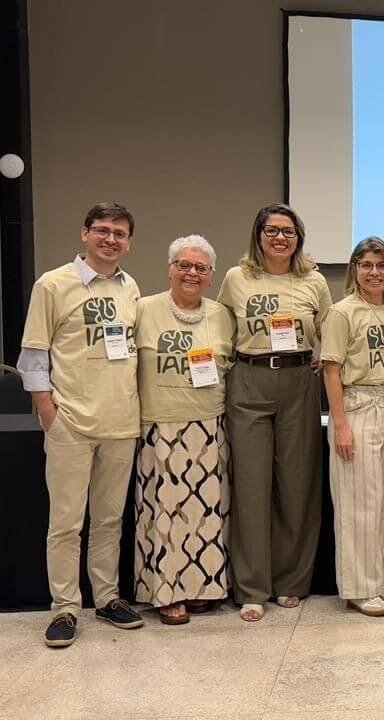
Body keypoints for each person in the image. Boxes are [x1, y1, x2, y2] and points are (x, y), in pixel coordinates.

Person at [18, 202, 145, 647]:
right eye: (103, 231)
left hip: (121, 423)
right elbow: (33, 357)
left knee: (109, 521)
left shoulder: (131, 288)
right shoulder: (53, 284)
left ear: (129, 242)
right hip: (70, 422)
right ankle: (66, 608)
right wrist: (49, 414)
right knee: (67, 523)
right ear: (85, 234)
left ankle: (107, 598)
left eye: (120, 234)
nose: (111, 239)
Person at [217, 203, 332, 622]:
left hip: (299, 381)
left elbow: (329, 336)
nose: (280, 238)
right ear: (258, 235)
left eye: (288, 231)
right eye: (271, 230)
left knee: (297, 485)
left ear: (299, 237)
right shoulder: (237, 278)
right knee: (250, 485)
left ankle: (291, 581)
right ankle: (251, 586)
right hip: (249, 381)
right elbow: (221, 332)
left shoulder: (314, 281)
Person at [134, 235, 235, 625]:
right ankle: (166, 593)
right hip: (160, 425)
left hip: (210, 425)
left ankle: (204, 588)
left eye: (201, 268)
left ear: (211, 276)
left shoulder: (222, 315)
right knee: (163, 514)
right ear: (170, 269)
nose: (192, 273)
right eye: (184, 265)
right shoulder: (144, 309)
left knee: (207, 514)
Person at [321, 238, 384, 617]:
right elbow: (331, 370)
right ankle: (357, 586)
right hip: (357, 407)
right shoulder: (342, 313)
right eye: (366, 264)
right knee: (359, 502)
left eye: (382, 265)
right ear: (354, 269)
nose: (374, 272)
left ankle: (377, 579)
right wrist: (341, 425)